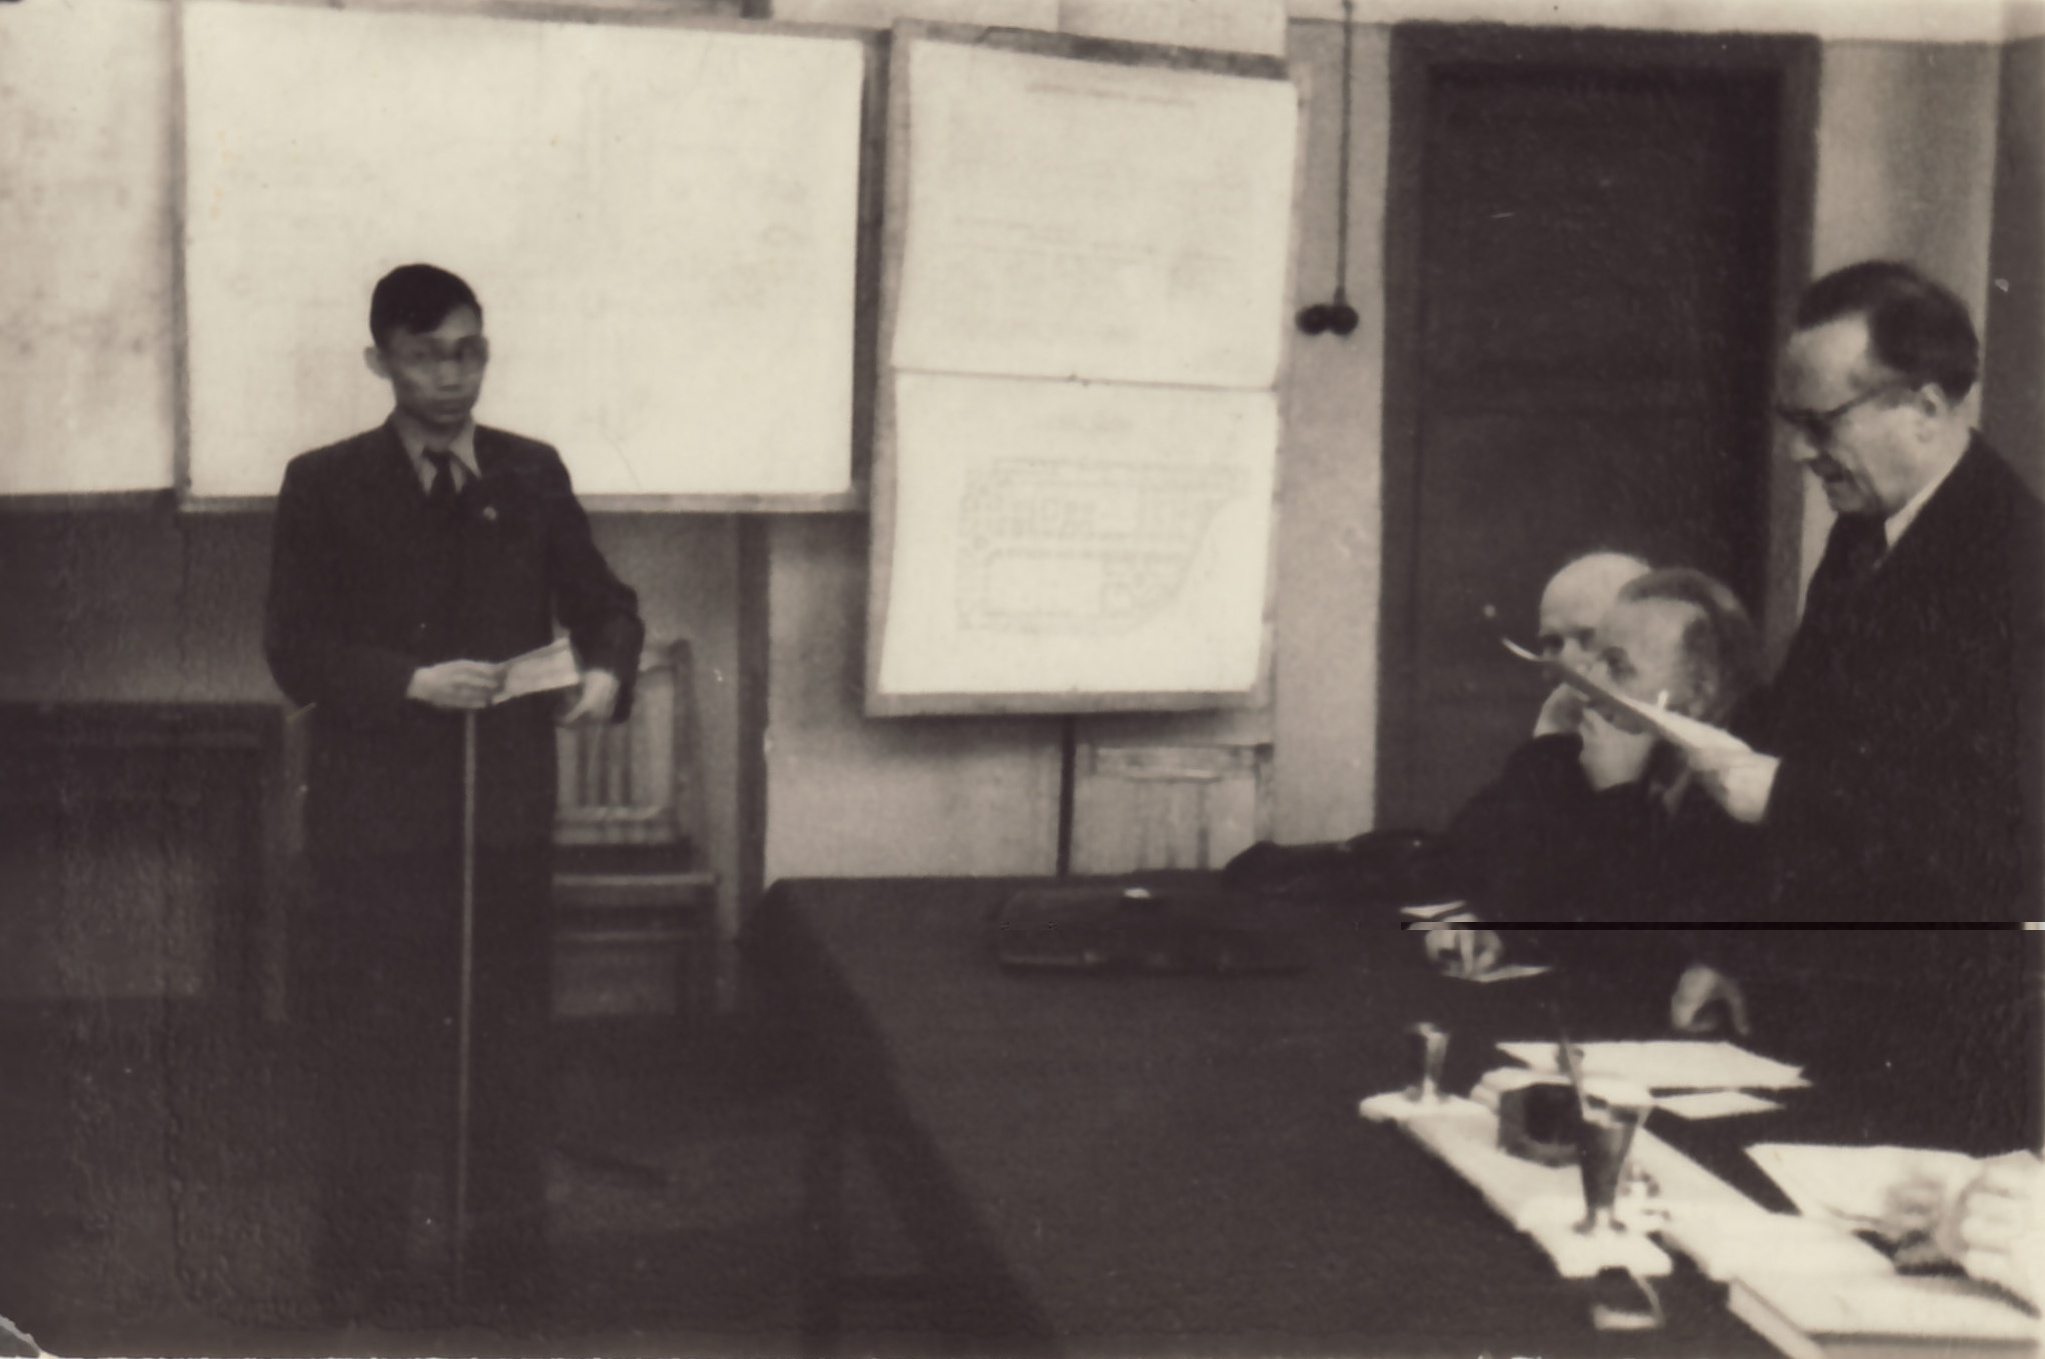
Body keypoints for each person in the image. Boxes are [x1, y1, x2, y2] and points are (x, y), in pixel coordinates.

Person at [265, 264, 644, 1323]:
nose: (451, 374)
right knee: (372, 1043)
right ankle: (361, 1268)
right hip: (374, 820)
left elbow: (605, 604)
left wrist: (606, 673)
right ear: (379, 360)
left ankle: (507, 1265)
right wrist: (410, 682)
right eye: (426, 354)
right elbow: (294, 648)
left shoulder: (530, 469)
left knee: (508, 1045)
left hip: (502, 810)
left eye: (469, 350)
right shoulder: (324, 482)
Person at [1689, 261, 2044, 922]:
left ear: (1924, 410)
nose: (1796, 450)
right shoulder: (1860, 535)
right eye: (1788, 421)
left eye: (1820, 423)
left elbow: (2003, 842)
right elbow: (1805, 727)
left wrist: (1784, 799)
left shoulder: (2023, 566)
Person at [1420, 568, 1765, 992]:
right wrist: (1496, 928)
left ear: (1700, 694)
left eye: (1617, 666)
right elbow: (1487, 866)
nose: (1588, 685)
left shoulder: (1745, 791)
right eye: (1597, 659)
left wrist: (1617, 799)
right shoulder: (1623, 752)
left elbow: (1648, 951)